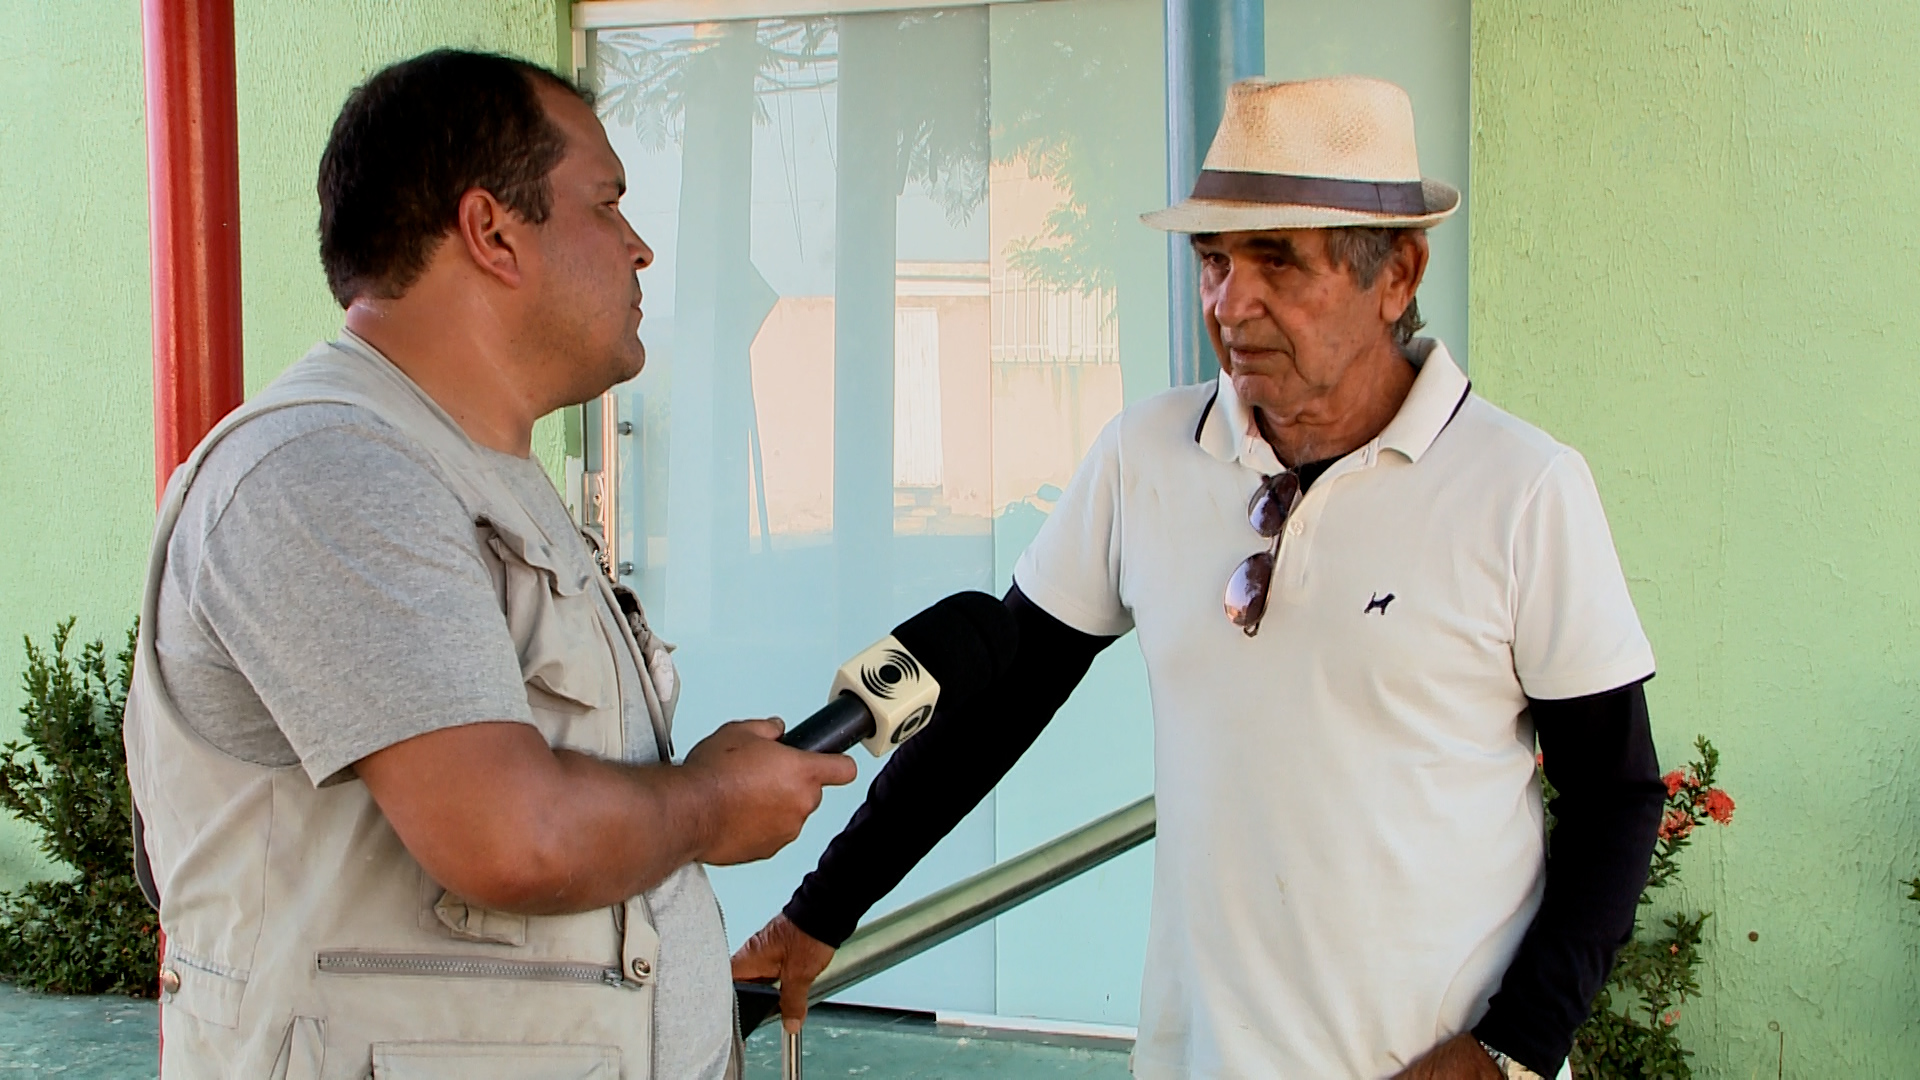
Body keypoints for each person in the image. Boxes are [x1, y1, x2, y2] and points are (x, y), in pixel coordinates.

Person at [733, 76, 1665, 1080]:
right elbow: (996, 706)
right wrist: (819, 912)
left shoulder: (1521, 488)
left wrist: (1510, 1049)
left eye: (1278, 260)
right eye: (1214, 260)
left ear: (1397, 274)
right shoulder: (1146, 455)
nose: (1231, 302)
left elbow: (1615, 798)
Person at [122, 50, 856, 1079]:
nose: (640, 246)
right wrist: (707, 804)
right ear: (492, 231)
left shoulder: (471, 473)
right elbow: (512, 837)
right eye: (607, 204)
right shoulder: (328, 469)